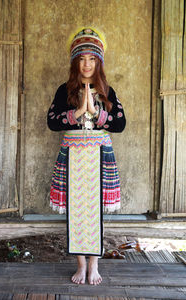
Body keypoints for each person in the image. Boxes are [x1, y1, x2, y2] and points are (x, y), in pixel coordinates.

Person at [47, 27, 126, 285]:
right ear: (75, 62)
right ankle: (80, 264)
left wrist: (97, 112)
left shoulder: (107, 91)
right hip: (72, 156)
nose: (87, 64)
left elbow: (120, 123)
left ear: (99, 62)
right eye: (82, 59)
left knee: (95, 211)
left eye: (92, 59)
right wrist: (78, 112)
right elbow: (52, 122)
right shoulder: (65, 90)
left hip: (99, 156)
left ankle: (94, 264)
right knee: (75, 209)